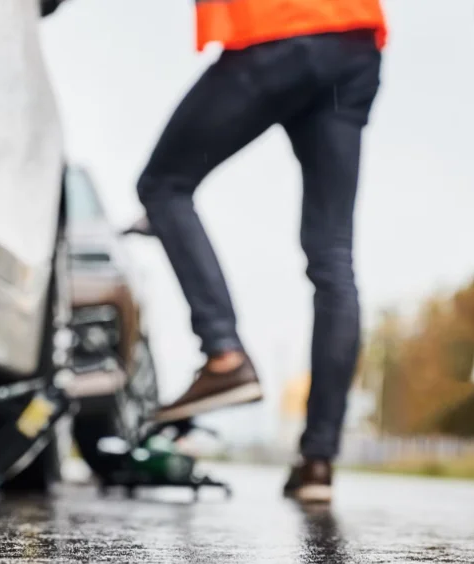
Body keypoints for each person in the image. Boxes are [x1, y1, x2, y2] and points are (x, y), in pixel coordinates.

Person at [135, 0, 387, 503]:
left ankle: (223, 353)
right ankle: (318, 460)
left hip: (275, 30)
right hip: (354, 40)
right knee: (333, 256)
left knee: (164, 185)